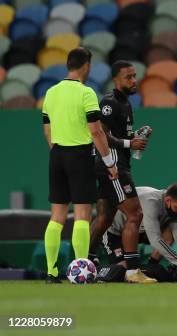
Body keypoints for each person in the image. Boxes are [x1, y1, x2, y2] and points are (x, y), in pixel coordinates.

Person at [42, 47, 118, 283]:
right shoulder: (86, 93)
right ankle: (83, 270)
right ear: (86, 66)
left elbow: (47, 128)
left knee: (56, 216)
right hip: (80, 155)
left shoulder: (51, 92)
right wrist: (109, 161)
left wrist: (57, 152)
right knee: (83, 214)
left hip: (57, 155)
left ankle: (51, 271)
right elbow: (96, 131)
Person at [88, 60, 155, 284]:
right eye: (129, 77)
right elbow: (100, 134)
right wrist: (129, 144)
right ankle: (132, 270)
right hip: (113, 166)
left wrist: (134, 137)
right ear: (116, 79)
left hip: (116, 164)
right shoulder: (109, 102)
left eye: (135, 76)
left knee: (105, 218)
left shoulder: (125, 103)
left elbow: (117, 134)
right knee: (135, 214)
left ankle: (84, 261)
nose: (134, 80)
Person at [102, 184, 177, 277]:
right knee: (122, 271)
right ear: (168, 201)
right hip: (114, 233)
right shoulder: (151, 202)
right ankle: (97, 273)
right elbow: (155, 239)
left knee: (169, 232)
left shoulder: (174, 209)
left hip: (138, 233)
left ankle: (151, 265)